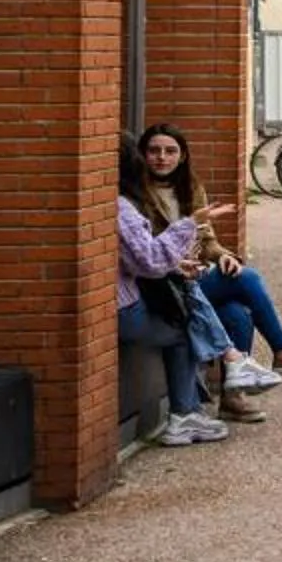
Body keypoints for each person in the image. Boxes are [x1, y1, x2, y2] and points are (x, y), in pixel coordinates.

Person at [135, 123, 282, 386]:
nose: (162, 157)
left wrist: (223, 257)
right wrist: (177, 262)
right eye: (154, 151)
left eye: (170, 151)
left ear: (182, 156)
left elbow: (206, 241)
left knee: (237, 313)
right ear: (142, 154)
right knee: (246, 280)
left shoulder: (190, 187)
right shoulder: (136, 196)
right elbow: (143, 250)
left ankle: (234, 394)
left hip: (192, 281)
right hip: (162, 286)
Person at [114, 142, 233, 444]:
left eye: (171, 151)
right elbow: (150, 260)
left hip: (125, 298)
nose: (158, 159)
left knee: (236, 304)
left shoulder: (111, 203)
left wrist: (176, 265)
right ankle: (187, 412)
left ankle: (231, 379)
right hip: (124, 309)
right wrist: (191, 223)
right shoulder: (120, 207)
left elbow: (136, 259)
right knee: (184, 330)